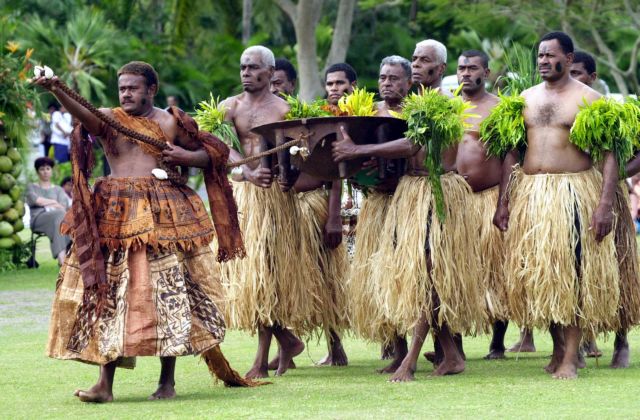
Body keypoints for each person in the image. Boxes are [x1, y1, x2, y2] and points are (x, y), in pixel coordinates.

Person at [34, 60, 250, 402]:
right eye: (122, 88)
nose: (126, 93)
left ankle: (167, 382)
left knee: (170, 293)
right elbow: (83, 115)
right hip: (114, 215)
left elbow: (213, 156)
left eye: (133, 88)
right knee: (111, 294)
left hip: (164, 215)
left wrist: (184, 156)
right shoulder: (108, 117)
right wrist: (56, 88)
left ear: (152, 89)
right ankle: (104, 385)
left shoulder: (171, 121)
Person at [333, 39, 485, 381]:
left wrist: (357, 149)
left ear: (441, 69)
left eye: (424, 60)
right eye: (414, 58)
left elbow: (412, 144)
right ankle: (450, 355)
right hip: (411, 193)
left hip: (435, 192)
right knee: (421, 275)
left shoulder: (442, 104)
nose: (416, 64)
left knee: (426, 273)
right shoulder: (416, 103)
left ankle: (411, 361)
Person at [494, 32, 620, 379]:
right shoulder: (524, 99)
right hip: (533, 195)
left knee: (575, 272)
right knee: (542, 275)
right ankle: (558, 350)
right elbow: (511, 153)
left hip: (572, 193)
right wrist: (504, 202)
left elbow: (610, 155)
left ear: (568, 57)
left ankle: (570, 358)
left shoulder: (590, 99)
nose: (544, 61)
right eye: (540, 56)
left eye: (550, 55)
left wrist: (605, 204)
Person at [219, 45, 310, 378]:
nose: (246, 73)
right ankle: (285, 342)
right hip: (246, 198)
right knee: (252, 277)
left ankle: (263, 359)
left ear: (271, 74)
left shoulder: (286, 110)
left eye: (254, 67)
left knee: (269, 274)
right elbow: (219, 147)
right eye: (243, 67)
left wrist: (292, 175)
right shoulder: (230, 108)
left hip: (275, 203)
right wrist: (246, 172)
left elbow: (302, 153)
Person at [347, 55, 411, 373]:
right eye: (383, 77)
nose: (387, 83)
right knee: (383, 276)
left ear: (408, 83)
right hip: (377, 205)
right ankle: (399, 351)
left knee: (412, 275)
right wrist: (362, 172)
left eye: (394, 78)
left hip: (410, 202)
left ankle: (445, 350)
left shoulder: (418, 114)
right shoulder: (367, 115)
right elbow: (349, 160)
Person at [452, 50, 510, 360]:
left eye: (472, 68)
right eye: (461, 67)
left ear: (485, 72)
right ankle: (455, 347)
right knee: (455, 270)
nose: (465, 73)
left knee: (495, 270)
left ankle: (497, 342)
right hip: (456, 200)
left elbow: (511, 159)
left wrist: (504, 202)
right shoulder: (447, 107)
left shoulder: (499, 109)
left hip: (489, 196)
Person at [26, 157, 71, 266]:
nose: (45, 172)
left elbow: (62, 207)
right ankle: (63, 259)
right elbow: (35, 200)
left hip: (58, 220)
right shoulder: (31, 187)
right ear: (37, 172)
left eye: (48, 168)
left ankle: (62, 259)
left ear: (51, 171)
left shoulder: (58, 190)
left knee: (61, 218)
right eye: (42, 169)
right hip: (38, 219)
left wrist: (47, 203)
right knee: (61, 217)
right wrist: (53, 202)